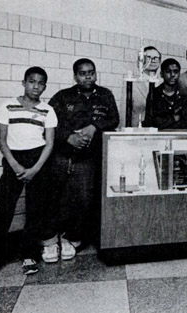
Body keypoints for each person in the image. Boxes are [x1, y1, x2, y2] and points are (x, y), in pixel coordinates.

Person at [43, 58, 119, 262]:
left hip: (89, 159)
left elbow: (114, 119)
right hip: (61, 156)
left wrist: (94, 127)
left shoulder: (105, 95)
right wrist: (69, 137)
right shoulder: (62, 97)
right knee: (54, 198)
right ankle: (50, 241)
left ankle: (71, 238)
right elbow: (49, 123)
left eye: (91, 72)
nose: (88, 76)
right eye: (83, 73)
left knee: (83, 200)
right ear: (75, 76)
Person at [0, 67, 57, 276]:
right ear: (24, 83)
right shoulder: (7, 106)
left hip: (38, 161)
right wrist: (15, 165)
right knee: (4, 210)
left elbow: (49, 143)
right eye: (32, 82)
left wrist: (35, 169)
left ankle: (29, 256)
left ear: (45, 86)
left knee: (35, 210)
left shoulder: (48, 110)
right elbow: (1, 139)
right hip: (13, 159)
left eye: (41, 83)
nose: (36, 86)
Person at [143, 59, 187, 129]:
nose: (172, 75)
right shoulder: (154, 94)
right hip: (158, 137)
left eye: (176, 72)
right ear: (161, 74)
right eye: (168, 71)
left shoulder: (185, 95)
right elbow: (149, 122)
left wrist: (164, 120)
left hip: (179, 137)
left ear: (179, 73)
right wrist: (173, 118)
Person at [132, 46, 163, 127]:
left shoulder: (164, 83)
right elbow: (124, 112)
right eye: (148, 57)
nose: (152, 60)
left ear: (160, 62)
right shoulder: (132, 83)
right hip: (137, 130)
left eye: (156, 58)